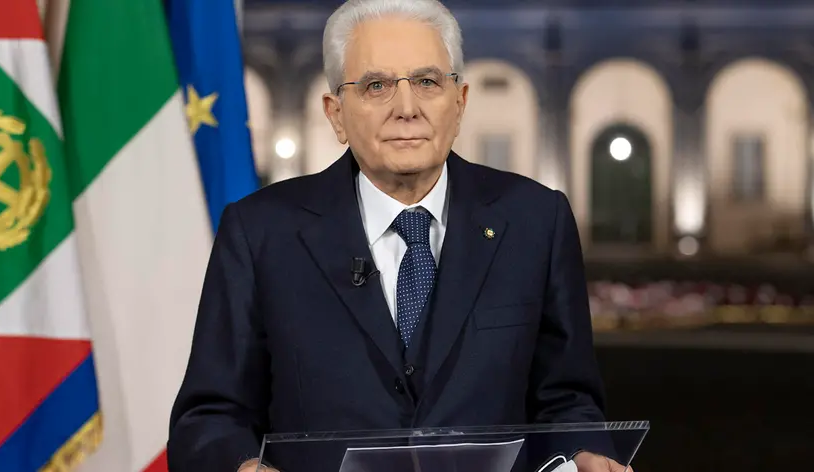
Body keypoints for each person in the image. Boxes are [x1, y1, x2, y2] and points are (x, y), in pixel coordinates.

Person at [168, 1, 633, 471]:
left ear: (461, 102)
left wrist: (585, 454)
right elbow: (208, 418)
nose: (406, 109)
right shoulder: (259, 232)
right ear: (336, 114)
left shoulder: (536, 221)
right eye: (376, 86)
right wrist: (242, 466)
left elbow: (568, 400)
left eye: (428, 82)